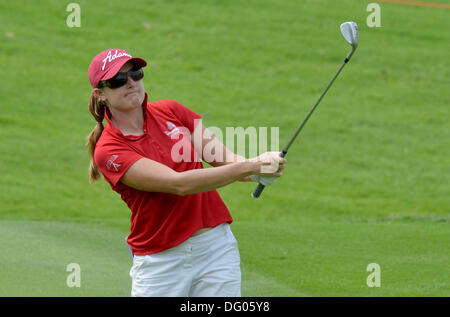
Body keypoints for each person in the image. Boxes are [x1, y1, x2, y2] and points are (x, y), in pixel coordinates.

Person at [86, 48, 286, 297]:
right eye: (117, 81)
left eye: (135, 74)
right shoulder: (109, 150)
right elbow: (179, 184)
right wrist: (252, 166)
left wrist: (260, 171)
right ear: (100, 94)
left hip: (215, 248)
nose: (130, 83)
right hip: (161, 260)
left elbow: (226, 162)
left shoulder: (171, 111)